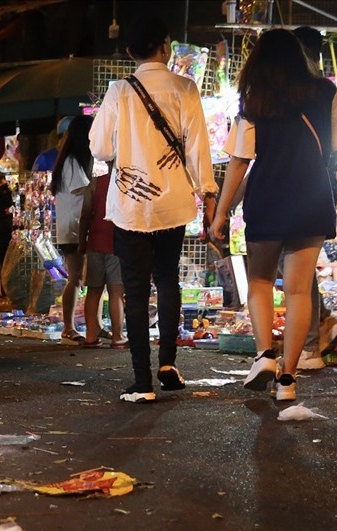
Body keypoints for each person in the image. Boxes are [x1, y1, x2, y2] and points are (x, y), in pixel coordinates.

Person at [209, 29, 337, 402]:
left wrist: (220, 213)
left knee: (260, 282)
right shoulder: (325, 93)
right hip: (312, 197)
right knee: (299, 290)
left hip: (268, 196)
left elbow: (238, 163)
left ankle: (265, 355)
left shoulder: (254, 98)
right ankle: (288, 380)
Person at [89, 16, 219, 404]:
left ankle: (142, 381)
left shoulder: (118, 91)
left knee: (134, 288)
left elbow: (99, 149)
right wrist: (208, 193)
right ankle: (167, 364)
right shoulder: (185, 87)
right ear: (165, 46)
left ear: (130, 52)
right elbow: (198, 149)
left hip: (131, 206)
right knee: (167, 281)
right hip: (173, 204)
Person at [292, 26, 337, 370]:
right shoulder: (330, 91)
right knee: (300, 267)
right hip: (322, 187)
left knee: (293, 267)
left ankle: (312, 343)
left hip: (295, 187)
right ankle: (320, 328)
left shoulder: (300, 91)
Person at [51, 114, 94, 343]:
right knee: (76, 278)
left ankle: (90, 326)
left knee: (87, 279)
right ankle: (68, 327)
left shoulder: (71, 161)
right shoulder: (72, 162)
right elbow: (86, 191)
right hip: (74, 229)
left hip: (75, 228)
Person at [78, 162, 127, 348]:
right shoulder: (126, 184)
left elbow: (85, 216)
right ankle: (117, 337)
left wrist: (82, 242)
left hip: (95, 242)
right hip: (117, 244)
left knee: (94, 290)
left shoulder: (96, 183)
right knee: (116, 292)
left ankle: (91, 335)